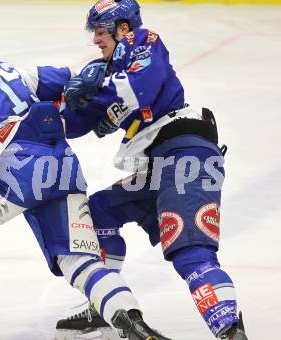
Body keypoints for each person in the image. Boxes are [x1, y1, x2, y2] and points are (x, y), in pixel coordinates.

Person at [0, 32, 173, 340]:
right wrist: (95, 73)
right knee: (78, 260)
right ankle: (134, 325)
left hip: (18, 169)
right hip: (62, 163)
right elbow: (64, 80)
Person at [55, 0, 249, 339]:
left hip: (185, 153)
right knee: (97, 215)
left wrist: (93, 90)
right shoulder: (103, 70)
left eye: (101, 32)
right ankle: (105, 306)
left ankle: (231, 331)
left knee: (191, 253)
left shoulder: (143, 41)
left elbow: (139, 87)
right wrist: (48, 106)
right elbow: (70, 124)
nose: (96, 40)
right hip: (157, 166)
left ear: (124, 28)